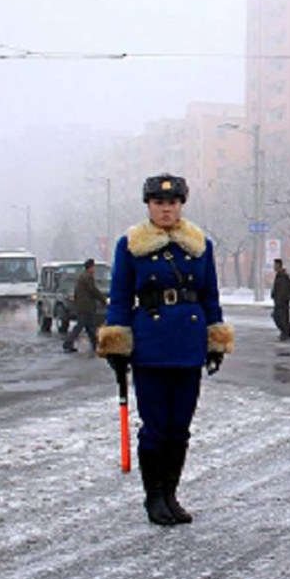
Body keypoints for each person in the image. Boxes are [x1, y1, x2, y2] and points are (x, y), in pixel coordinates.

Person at [97, 173, 234, 526]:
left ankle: (171, 494)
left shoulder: (199, 244)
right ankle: (154, 497)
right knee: (156, 426)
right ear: (149, 206)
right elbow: (122, 298)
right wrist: (117, 344)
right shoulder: (130, 244)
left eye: (172, 203)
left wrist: (215, 341)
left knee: (181, 427)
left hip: (188, 344)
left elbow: (210, 296)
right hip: (151, 346)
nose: (166, 209)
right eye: (159, 203)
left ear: (181, 205)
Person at [62, 258, 107, 353]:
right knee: (80, 326)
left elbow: (77, 292)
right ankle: (68, 343)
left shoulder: (82, 277)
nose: (94, 269)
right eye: (93, 267)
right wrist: (103, 300)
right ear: (90, 267)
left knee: (90, 327)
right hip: (86, 307)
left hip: (83, 306)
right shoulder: (88, 277)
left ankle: (96, 345)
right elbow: (93, 290)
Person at [271, 258, 290, 341]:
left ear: (279, 266)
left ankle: (286, 333)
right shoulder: (279, 275)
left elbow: (285, 289)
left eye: (275, 265)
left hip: (282, 301)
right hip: (279, 301)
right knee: (279, 317)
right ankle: (285, 332)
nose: (274, 267)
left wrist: (284, 298)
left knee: (282, 318)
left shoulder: (283, 276)